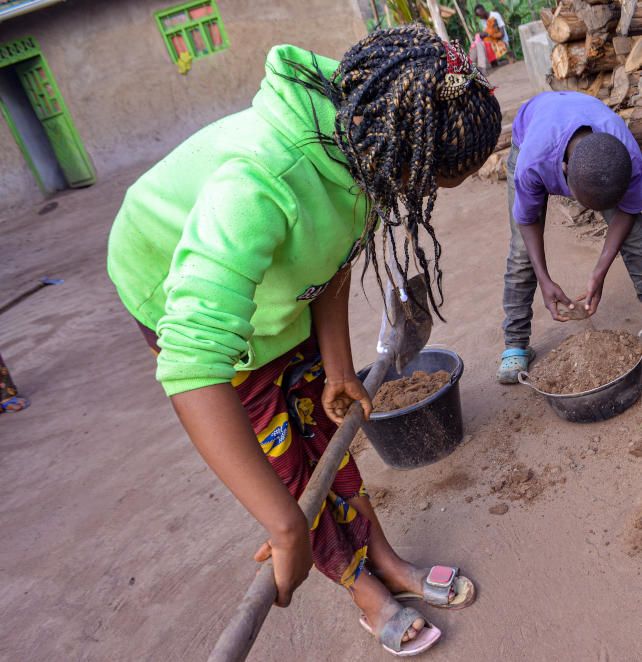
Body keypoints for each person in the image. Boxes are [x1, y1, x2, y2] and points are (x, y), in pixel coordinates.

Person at [107, 25, 501, 657]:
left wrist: (339, 367)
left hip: (278, 293)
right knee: (288, 467)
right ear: (399, 159)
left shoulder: (367, 135)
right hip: (186, 301)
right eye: (427, 184)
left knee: (328, 434)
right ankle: (361, 589)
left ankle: (388, 561)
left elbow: (334, 252)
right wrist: (284, 525)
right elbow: (190, 363)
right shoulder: (258, 184)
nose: (423, 199)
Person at [497, 90, 642, 383]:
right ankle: (515, 343)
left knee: (637, 243)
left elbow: (627, 213)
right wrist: (544, 280)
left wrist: (599, 272)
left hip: (592, 138)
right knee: (521, 253)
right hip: (534, 130)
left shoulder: (624, 156)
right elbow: (526, 221)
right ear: (564, 175)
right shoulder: (532, 164)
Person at [470, 3, 514, 70]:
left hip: (501, 41)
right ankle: (470, 68)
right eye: (478, 16)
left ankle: (483, 69)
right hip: (491, 41)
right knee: (475, 46)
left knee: (479, 45)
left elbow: (502, 34)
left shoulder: (495, 15)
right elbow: (488, 33)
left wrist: (487, 34)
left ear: (484, 10)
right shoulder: (483, 20)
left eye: (480, 15)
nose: (480, 17)